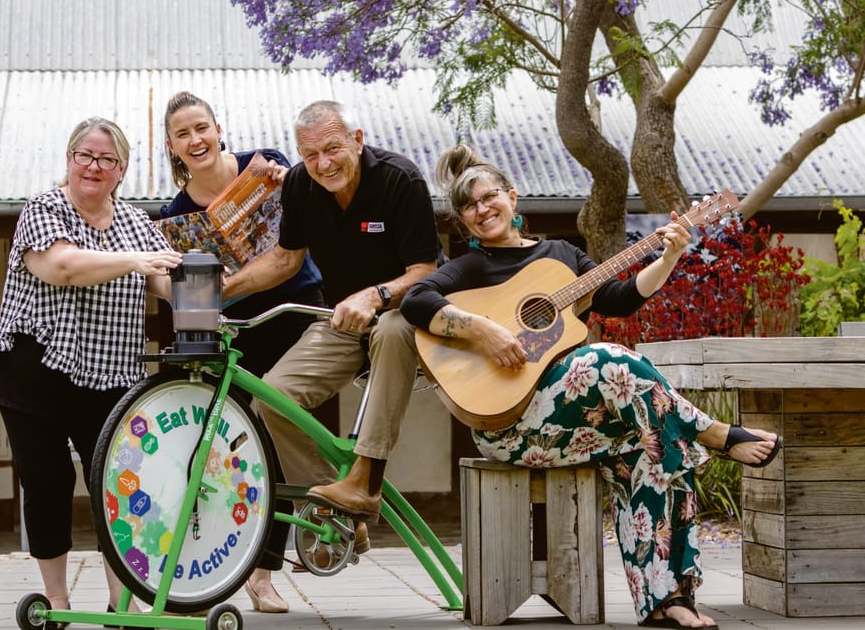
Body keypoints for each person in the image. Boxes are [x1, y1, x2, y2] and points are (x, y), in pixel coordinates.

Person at [399, 145, 783, 630]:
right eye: (469, 207)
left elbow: (620, 301)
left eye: (489, 196)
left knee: (656, 450)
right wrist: (485, 331)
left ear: (512, 197)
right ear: (463, 221)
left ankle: (669, 600)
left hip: (580, 427)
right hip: (512, 426)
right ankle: (717, 434)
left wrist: (669, 255)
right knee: (608, 358)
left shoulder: (561, 259)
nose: (482, 210)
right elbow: (416, 300)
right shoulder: (473, 269)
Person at [0, 117, 183, 625]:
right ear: (69, 160)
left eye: (106, 159)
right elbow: (62, 268)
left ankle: (122, 605)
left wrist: (200, 289)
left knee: (121, 486)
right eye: (84, 156)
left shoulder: (137, 224)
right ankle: (58, 603)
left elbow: (167, 284)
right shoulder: (44, 209)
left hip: (110, 375)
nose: (93, 166)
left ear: (122, 170)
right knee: (47, 482)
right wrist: (136, 261)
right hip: (34, 368)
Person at [221, 99, 441, 557]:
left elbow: (425, 270)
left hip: (405, 316)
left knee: (392, 328)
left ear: (357, 141)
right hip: (340, 322)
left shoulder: (400, 179)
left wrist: (376, 295)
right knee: (271, 398)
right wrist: (218, 291)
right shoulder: (300, 186)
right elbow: (285, 259)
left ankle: (366, 480)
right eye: (310, 155)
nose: (323, 164)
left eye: (333, 148)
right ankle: (333, 508)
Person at [160, 91, 327, 613]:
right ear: (173, 147)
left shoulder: (269, 166)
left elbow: (306, 225)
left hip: (295, 307)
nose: (196, 139)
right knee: (244, 442)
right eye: (184, 134)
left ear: (218, 128)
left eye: (201, 127)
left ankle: (266, 573)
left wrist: (290, 185)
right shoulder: (175, 215)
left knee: (280, 428)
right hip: (236, 326)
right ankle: (254, 561)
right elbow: (179, 291)